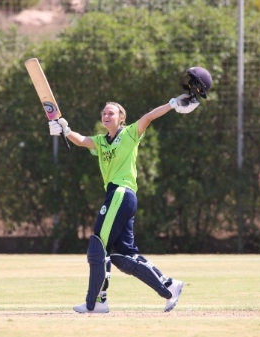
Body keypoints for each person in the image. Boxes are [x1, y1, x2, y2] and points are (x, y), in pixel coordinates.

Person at [49, 94, 200, 313]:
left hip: (121, 192)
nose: (106, 115)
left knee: (98, 245)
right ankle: (169, 285)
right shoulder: (101, 142)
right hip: (120, 196)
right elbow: (81, 140)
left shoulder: (129, 134)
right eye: (104, 112)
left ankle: (98, 301)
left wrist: (173, 104)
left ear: (122, 118)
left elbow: (148, 117)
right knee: (123, 256)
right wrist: (64, 128)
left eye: (111, 112)